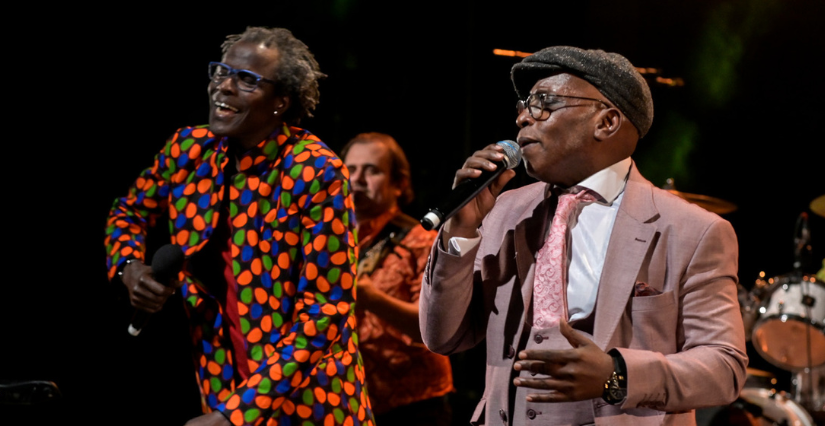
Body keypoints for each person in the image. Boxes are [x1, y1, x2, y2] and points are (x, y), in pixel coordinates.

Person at [418, 46, 748, 425]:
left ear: (606, 122)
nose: (524, 117)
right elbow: (442, 337)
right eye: (523, 105)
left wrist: (617, 374)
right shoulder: (505, 210)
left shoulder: (692, 230)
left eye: (544, 103)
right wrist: (460, 231)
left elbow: (724, 367)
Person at [104, 27, 374, 426]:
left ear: (281, 101)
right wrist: (130, 268)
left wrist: (236, 415)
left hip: (308, 400)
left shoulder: (315, 170)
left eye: (246, 79)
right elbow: (128, 211)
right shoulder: (188, 150)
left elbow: (325, 311)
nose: (223, 87)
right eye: (220, 73)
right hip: (220, 382)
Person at [341, 132, 454, 425]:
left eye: (373, 170)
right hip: (350, 399)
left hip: (413, 404)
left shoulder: (421, 241)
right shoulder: (331, 240)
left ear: (399, 184)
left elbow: (434, 328)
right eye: (350, 170)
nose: (357, 179)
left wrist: (372, 299)